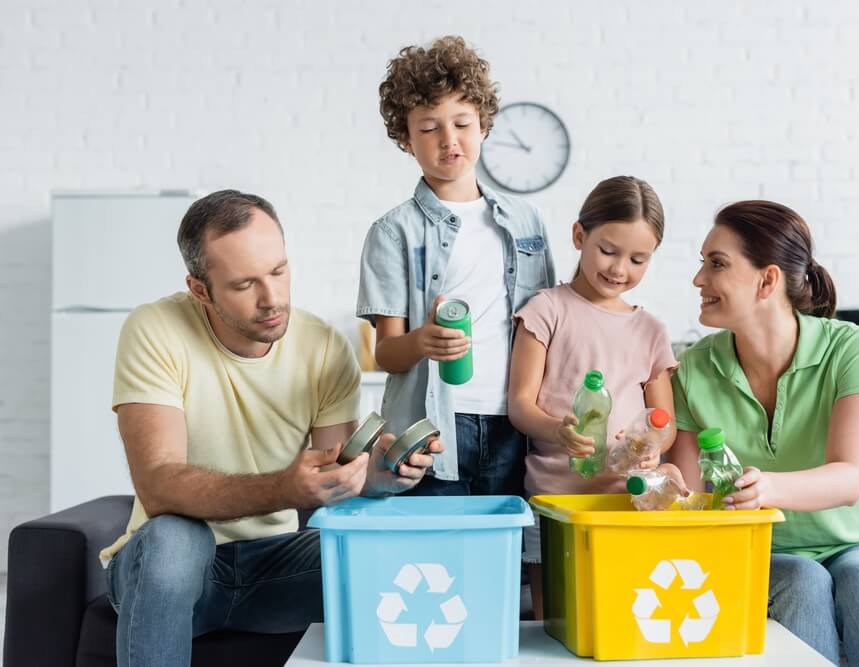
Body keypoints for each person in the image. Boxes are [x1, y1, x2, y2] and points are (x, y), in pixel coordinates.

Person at [100, 190, 442, 667]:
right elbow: (159, 486)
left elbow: (335, 473)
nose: (272, 298)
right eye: (244, 285)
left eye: (278, 272)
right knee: (176, 538)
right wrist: (284, 487)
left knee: (383, 557)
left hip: (274, 565)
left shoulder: (323, 347)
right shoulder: (156, 329)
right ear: (200, 289)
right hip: (176, 571)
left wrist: (379, 472)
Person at [668, 200, 859, 665]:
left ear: (767, 280)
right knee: (801, 578)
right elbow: (689, 497)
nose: (698, 279)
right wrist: (654, 474)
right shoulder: (691, 368)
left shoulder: (852, 349)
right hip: (758, 552)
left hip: (853, 542)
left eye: (716, 264)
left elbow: (849, 478)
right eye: (702, 263)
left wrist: (768, 487)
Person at [357, 35, 554, 496]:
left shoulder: (527, 222)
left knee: (510, 559)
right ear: (406, 140)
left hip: (515, 423)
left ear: (484, 125)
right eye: (428, 129)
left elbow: (549, 327)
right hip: (432, 429)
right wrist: (422, 342)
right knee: (436, 558)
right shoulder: (392, 233)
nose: (449, 140)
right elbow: (386, 353)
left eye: (462, 123)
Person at [507, 175, 681, 618]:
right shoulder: (546, 310)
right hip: (556, 499)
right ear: (579, 235)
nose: (620, 269)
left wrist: (651, 448)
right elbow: (521, 405)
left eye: (638, 259)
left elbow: (665, 421)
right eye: (608, 250)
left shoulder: (650, 331)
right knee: (556, 623)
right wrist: (557, 429)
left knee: (622, 617)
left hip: (627, 500)